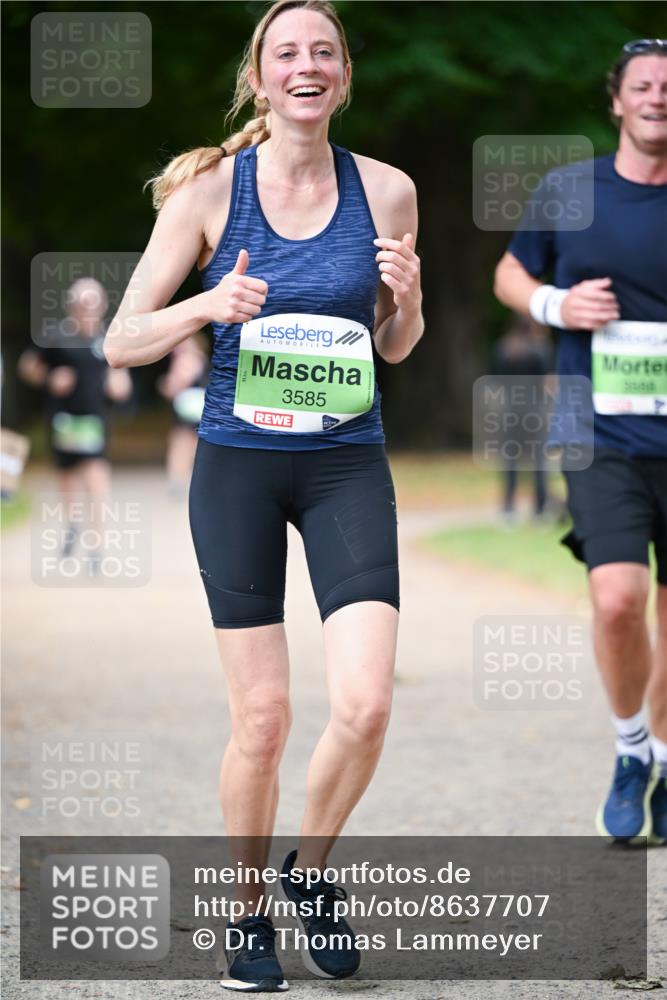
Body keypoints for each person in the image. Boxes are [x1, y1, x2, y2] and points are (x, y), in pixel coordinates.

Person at [104, 0, 423, 990]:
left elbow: (394, 346)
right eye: (286, 51)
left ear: (344, 75)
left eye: (323, 51)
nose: (306, 64)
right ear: (259, 76)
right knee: (264, 721)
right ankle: (246, 917)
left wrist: (406, 300)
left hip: (343, 465)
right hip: (238, 464)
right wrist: (207, 302)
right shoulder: (207, 191)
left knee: (365, 704)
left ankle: (308, 875)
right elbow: (121, 338)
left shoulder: (389, 190)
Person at [494, 40, 667, 845]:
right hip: (601, 434)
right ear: (617, 101)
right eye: (642, 85)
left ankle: (664, 756)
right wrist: (559, 308)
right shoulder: (571, 189)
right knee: (618, 598)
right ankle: (631, 747)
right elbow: (509, 275)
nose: (656, 97)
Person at [18, 277, 132, 558]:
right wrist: (49, 378)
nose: (87, 309)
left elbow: (123, 383)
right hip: (64, 420)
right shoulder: (56, 336)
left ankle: (97, 544)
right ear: (72, 306)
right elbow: (27, 367)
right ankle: (73, 524)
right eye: (82, 303)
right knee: (67, 477)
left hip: (94, 420)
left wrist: (118, 384)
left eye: (92, 303)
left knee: (96, 478)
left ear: (102, 305)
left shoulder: (109, 338)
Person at [489, 314, 553, 523]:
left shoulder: (502, 348)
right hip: (534, 411)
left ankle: (509, 509)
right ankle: (540, 510)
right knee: (539, 462)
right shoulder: (540, 349)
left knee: (510, 461)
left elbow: (494, 380)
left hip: (508, 411)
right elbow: (546, 382)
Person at [156, 333, 209, 497]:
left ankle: (177, 481)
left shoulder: (185, 360)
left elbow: (174, 387)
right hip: (199, 409)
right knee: (192, 446)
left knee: (180, 445)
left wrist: (163, 384)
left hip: (187, 412)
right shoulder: (202, 359)